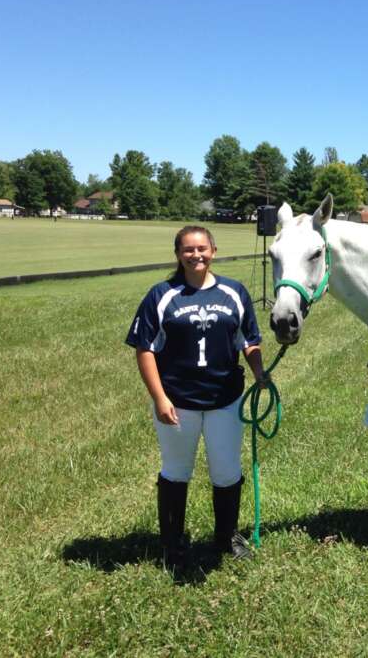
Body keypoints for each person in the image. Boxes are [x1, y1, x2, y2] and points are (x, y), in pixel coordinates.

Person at [125, 225, 269, 572]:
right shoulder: (161, 294)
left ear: (214, 251)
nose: (196, 255)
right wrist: (159, 398)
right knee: (176, 472)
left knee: (227, 471)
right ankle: (172, 545)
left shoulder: (234, 292)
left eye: (202, 248)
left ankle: (226, 536)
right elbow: (144, 349)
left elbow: (247, 339)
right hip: (178, 402)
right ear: (178, 254)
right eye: (188, 249)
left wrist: (260, 372)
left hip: (225, 400)